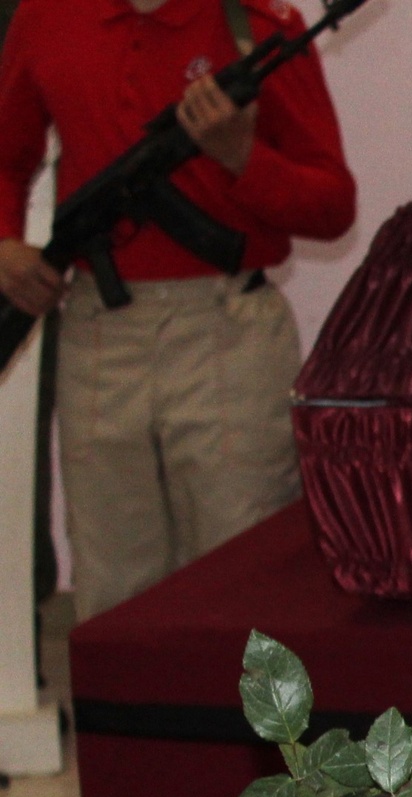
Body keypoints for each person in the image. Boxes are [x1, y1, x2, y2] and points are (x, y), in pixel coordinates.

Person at [0, 0, 354, 622]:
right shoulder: (47, 16)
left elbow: (332, 208)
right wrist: (3, 244)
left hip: (228, 331)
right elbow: (5, 159)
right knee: (112, 590)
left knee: (244, 587)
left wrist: (241, 155)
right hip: (99, 334)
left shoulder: (259, 27)